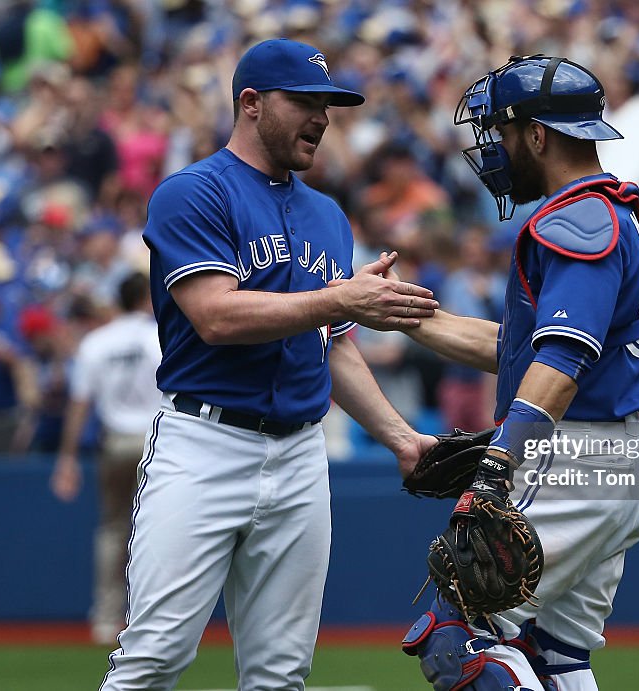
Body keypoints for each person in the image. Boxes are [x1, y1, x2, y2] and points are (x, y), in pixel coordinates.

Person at [98, 38, 439, 691]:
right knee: (155, 656)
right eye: (305, 101)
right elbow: (215, 316)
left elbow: (335, 343)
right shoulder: (192, 193)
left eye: (328, 104)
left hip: (301, 454)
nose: (322, 117)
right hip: (204, 442)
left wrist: (401, 437)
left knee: (281, 673)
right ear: (251, 103)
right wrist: (341, 295)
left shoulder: (328, 216)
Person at [396, 55, 639, 691]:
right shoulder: (610, 215)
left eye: (504, 131)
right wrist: (403, 316)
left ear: (537, 135)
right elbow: (520, 349)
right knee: (555, 657)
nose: (495, 147)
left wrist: (497, 466)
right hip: (614, 456)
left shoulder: (576, 220)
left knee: (454, 637)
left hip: (570, 456)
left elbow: (563, 361)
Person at [49, 272, 162, 645]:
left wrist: (66, 458)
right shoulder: (159, 334)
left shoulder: (97, 341)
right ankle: (146, 616)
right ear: (146, 297)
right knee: (154, 529)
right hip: (156, 441)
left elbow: (79, 405)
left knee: (113, 528)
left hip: (114, 442)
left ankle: (105, 617)